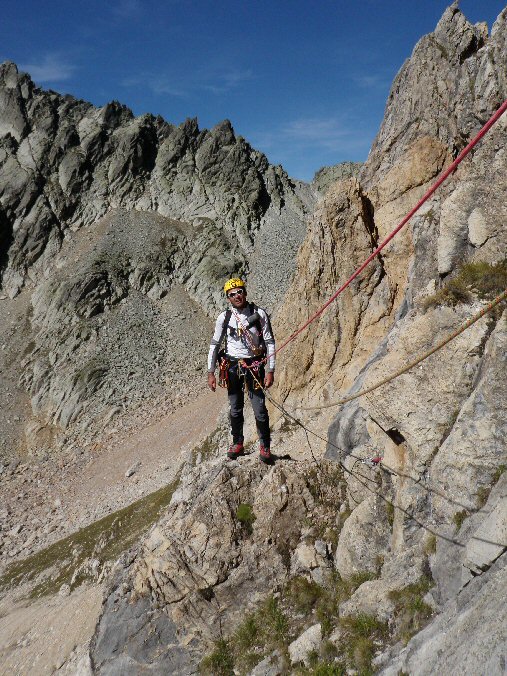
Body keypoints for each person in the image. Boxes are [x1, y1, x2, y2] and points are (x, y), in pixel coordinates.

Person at [207, 278, 275, 463]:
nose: (237, 296)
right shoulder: (225, 317)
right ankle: (237, 442)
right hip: (232, 366)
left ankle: (265, 446)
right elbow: (215, 344)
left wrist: (270, 370)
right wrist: (210, 372)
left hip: (254, 365)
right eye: (232, 294)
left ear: (245, 292)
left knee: (259, 408)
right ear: (228, 298)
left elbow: (269, 341)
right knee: (235, 409)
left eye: (239, 291)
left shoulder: (259, 313)